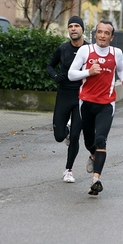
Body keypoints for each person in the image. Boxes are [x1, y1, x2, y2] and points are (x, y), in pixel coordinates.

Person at [68, 20, 123, 195]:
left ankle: (95, 180)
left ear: (111, 37)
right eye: (100, 32)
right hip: (86, 103)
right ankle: (93, 155)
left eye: (106, 33)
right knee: (89, 142)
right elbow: (71, 74)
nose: (102, 35)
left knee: (101, 140)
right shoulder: (85, 51)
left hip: (106, 104)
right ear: (95, 34)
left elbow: (122, 70)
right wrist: (88, 72)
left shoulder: (116, 53)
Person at [46, 16, 89, 183]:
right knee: (58, 135)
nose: (73, 29)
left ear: (82, 29)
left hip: (82, 96)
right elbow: (50, 65)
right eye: (70, 26)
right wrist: (55, 76)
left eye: (76, 25)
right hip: (64, 94)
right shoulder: (63, 49)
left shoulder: (90, 49)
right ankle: (67, 132)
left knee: (76, 136)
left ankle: (68, 170)